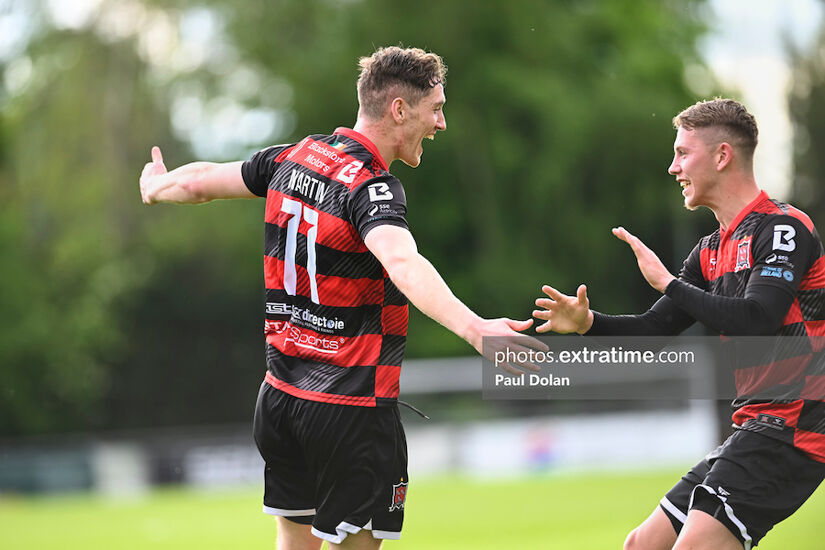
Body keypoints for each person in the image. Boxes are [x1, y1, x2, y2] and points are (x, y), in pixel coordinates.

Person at [140, 46, 542, 550]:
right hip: (350, 409)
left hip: (281, 400)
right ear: (400, 110)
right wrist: (476, 328)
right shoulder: (372, 187)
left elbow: (200, 182)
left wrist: (157, 186)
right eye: (435, 108)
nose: (441, 123)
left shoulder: (292, 158)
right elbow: (402, 262)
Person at [533, 98, 825, 550]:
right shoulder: (709, 251)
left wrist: (667, 282)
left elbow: (758, 319)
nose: (673, 168)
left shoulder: (784, 228)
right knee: (641, 545)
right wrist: (588, 323)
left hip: (799, 427)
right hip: (756, 427)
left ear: (722, 156)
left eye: (682, 153)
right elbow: (654, 331)